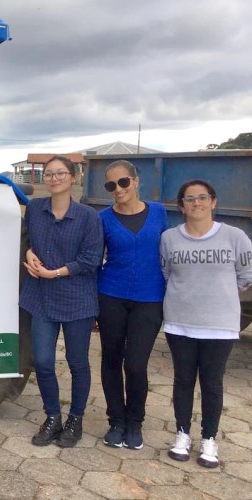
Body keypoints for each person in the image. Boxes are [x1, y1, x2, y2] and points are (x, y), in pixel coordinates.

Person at [161, 179, 252, 468]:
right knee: (183, 381)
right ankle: (182, 434)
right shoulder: (169, 238)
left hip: (220, 324)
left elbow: (246, 275)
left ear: (213, 202)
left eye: (202, 198)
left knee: (212, 383)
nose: (196, 203)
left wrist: (218, 295)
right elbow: (166, 273)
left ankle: (209, 439)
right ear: (181, 207)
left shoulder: (234, 236)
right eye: (190, 199)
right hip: (180, 322)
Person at [21, 155, 103, 448]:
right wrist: (28, 254)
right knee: (42, 361)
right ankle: (52, 416)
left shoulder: (88, 217)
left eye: (60, 173)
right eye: (49, 174)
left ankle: (75, 419)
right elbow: (26, 239)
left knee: (77, 361)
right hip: (41, 298)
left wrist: (54, 272)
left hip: (76, 299)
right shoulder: (34, 208)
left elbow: (91, 260)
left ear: (74, 177)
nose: (54, 178)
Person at [97, 160, 168, 450]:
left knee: (136, 364)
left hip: (150, 298)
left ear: (136, 181)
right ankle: (116, 420)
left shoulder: (160, 213)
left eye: (123, 182)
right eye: (111, 185)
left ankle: (135, 420)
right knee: (111, 360)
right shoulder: (102, 218)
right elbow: (92, 258)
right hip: (111, 295)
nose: (118, 189)